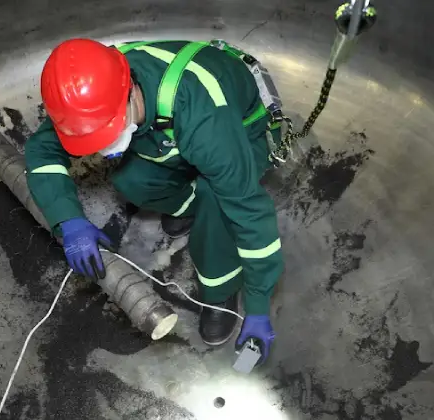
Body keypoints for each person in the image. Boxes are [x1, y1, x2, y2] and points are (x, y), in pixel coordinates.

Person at [25, 38, 283, 363]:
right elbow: (41, 150)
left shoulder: (207, 121)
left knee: (218, 203)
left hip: (238, 130)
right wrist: (68, 219)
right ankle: (189, 204)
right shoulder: (92, 92)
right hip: (168, 130)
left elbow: (252, 216)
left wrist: (259, 307)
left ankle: (220, 290)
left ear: (131, 91)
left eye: (108, 131)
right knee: (131, 179)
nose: (104, 149)